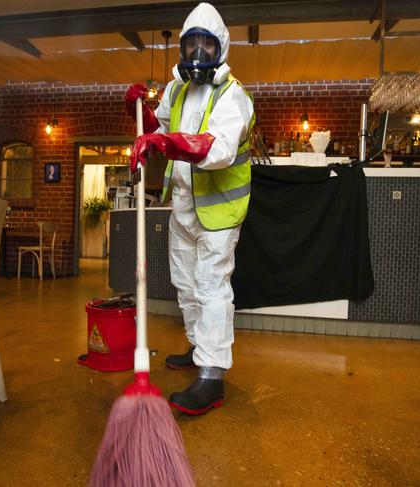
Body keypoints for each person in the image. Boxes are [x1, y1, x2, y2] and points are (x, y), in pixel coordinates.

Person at [124, 2, 255, 414]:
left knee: (212, 287)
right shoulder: (177, 87)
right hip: (182, 204)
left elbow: (215, 149)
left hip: (219, 212)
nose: (198, 54)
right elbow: (161, 128)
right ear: (181, 49)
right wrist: (140, 115)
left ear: (221, 49)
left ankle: (212, 376)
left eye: (207, 45)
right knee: (185, 283)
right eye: (191, 45)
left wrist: (164, 143)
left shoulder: (234, 97)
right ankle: (199, 349)